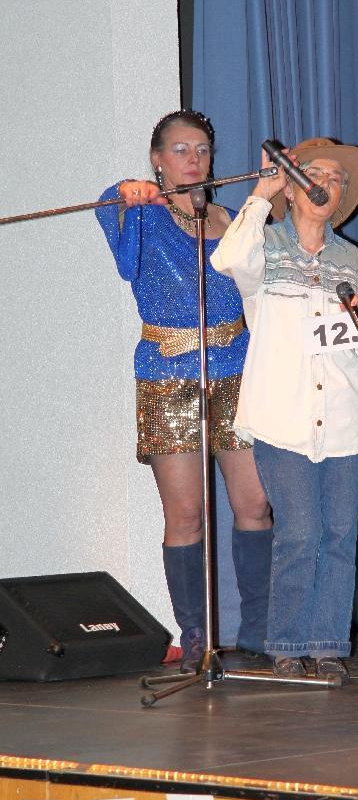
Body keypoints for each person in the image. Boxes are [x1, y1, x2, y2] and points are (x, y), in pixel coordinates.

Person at [96, 110, 272, 672]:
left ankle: (260, 629)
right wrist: (127, 195)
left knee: (255, 504)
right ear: (157, 159)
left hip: (238, 369)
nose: (193, 159)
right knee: (187, 514)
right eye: (179, 149)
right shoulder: (141, 210)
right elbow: (114, 225)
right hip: (168, 374)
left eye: (201, 149)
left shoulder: (234, 219)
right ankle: (195, 635)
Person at [211, 138, 358, 682]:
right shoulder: (262, 245)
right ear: (293, 185)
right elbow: (226, 260)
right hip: (282, 420)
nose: (326, 183)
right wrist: (261, 195)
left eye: (336, 179)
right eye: (315, 173)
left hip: (346, 423)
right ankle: (286, 644)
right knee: (300, 534)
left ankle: (328, 647)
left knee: (339, 537)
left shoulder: (352, 260)